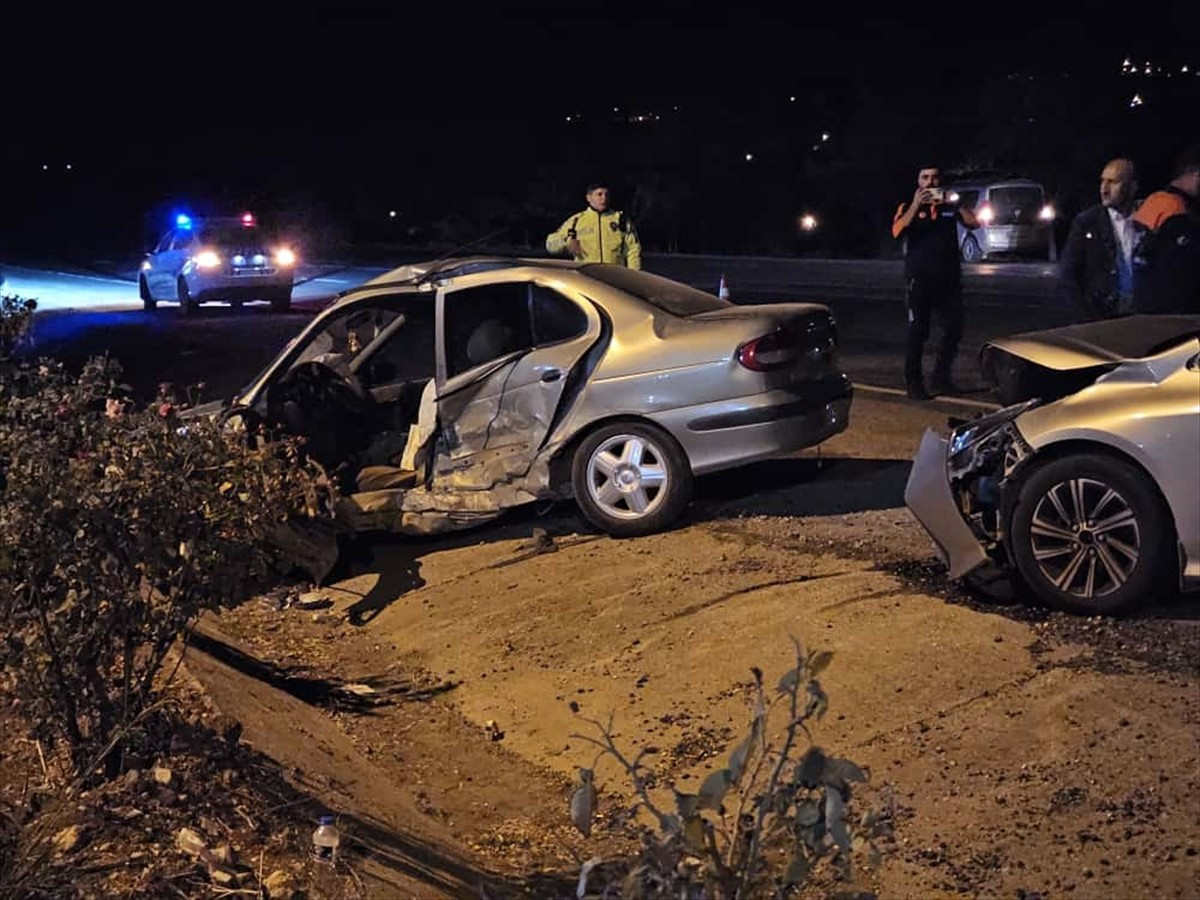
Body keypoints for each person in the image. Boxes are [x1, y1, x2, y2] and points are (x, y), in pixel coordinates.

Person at [891, 164, 981, 400]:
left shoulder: (949, 206)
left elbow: (974, 223)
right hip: (919, 279)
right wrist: (915, 205)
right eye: (925, 178)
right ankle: (913, 382)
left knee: (953, 328)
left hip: (949, 278)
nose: (930, 182)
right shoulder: (907, 206)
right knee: (918, 331)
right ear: (918, 181)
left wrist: (957, 203)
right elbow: (897, 231)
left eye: (934, 178)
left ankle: (941, 378)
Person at [1058, 158, 1140, 321]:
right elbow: (1069, 275)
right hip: (1101, 317)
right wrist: (1085, 319)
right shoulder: (1087, 222)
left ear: (1132, 187)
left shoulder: (1147, 218)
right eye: (1102, 181)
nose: (1104, 189)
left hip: (1141, 315)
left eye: (1113, 182)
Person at [1131, 144, 1200, 314]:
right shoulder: (1178, 209)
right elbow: (1183, 272)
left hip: (1143, 304)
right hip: (1172, 312)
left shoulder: (1155, 200)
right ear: (1195, 174)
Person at [546, 181, 642, 269]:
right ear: (589, 198)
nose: (604, 198)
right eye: (599, 194)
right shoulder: (577, 221)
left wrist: (634, 277)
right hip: (587, 277)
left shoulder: (620, 220)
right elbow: (550, 245)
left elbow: (633, 250)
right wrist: (567, 243)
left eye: (606, 195)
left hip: (614, 276)